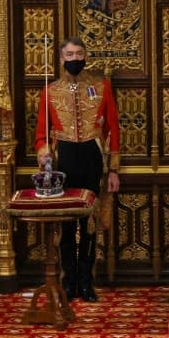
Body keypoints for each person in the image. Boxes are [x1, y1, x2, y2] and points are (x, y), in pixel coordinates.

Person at [34, 37, 121, 302]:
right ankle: (69, 281)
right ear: (61, 59)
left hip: (92, 157)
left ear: (86, 56)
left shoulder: (100, 86)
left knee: (90, 222)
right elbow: (40, 135)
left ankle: (87, 281)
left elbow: (113, 130)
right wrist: (45, 153)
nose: (74, 59)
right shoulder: (50, 92)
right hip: (65, 159)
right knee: (68, 224)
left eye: (79, 53)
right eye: (69, 55)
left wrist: (114, 170)